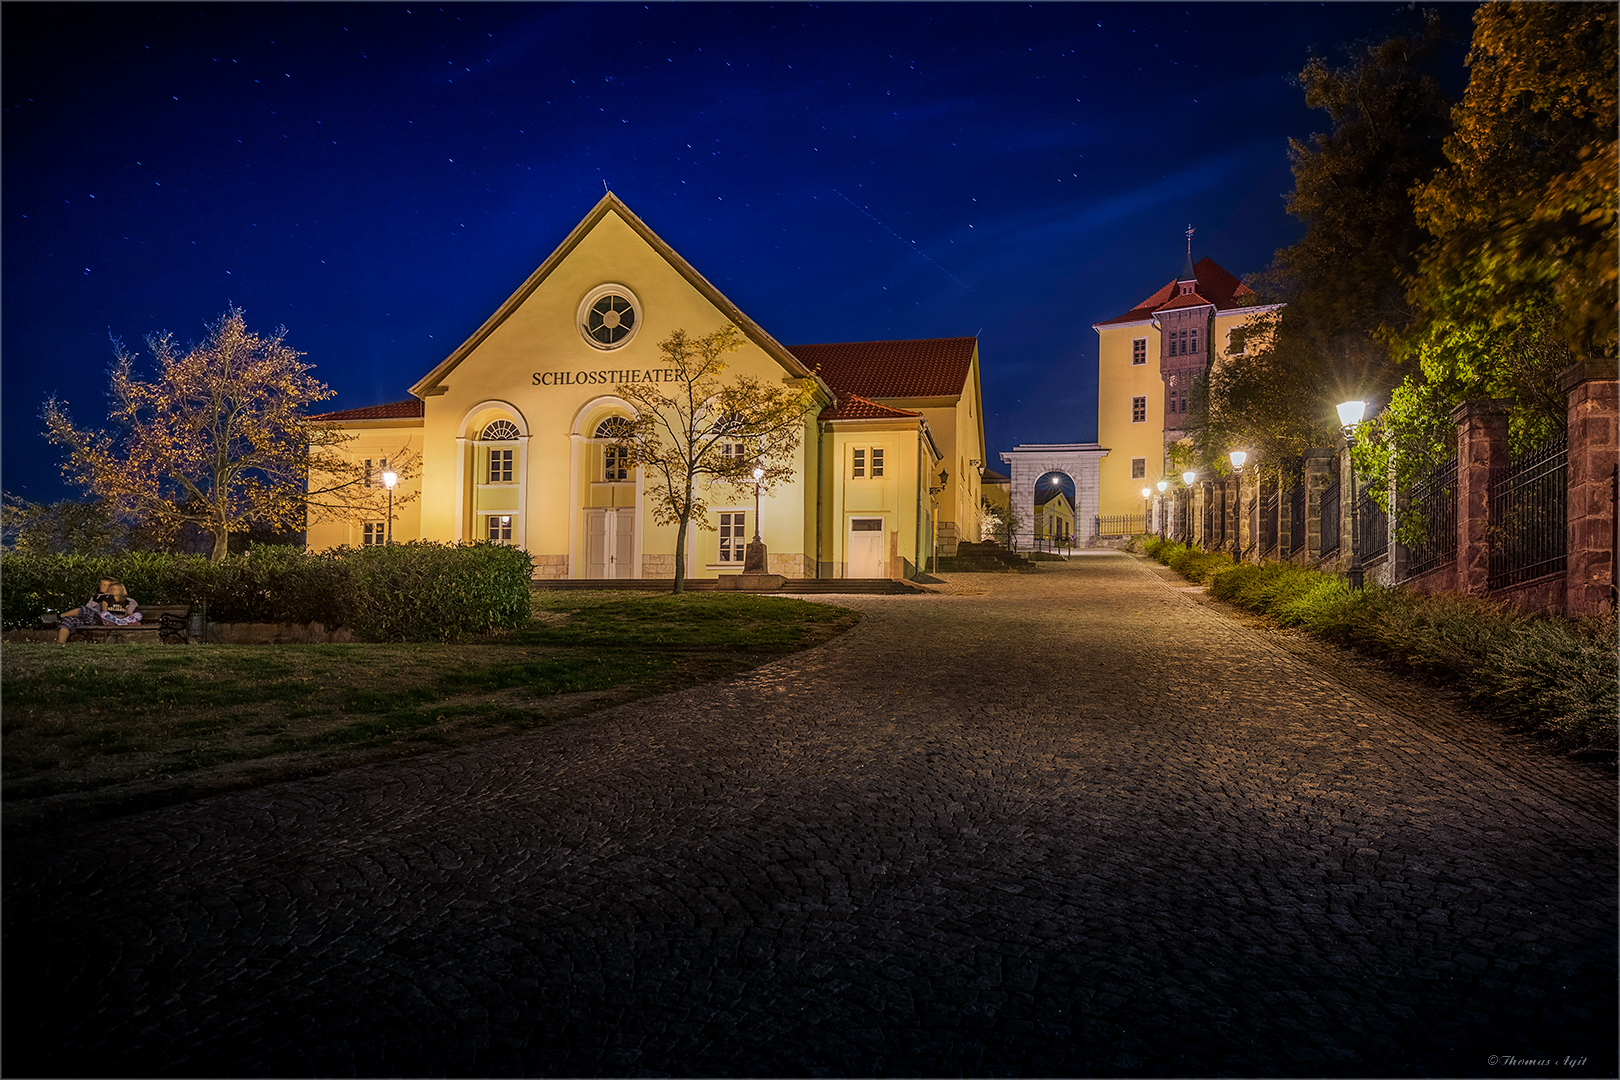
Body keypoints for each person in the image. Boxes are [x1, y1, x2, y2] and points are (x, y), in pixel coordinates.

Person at [57, 577, 142, 643]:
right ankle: (61, 645)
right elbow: (88, 607)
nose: (101, 586)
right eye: (101, 584)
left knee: (84, 610)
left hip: (103, 620)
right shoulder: (96, 597)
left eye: (104, 585)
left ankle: (59, 616)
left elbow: (130, 611)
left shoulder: (126, 599)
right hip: (90, 618)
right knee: (68, 620)